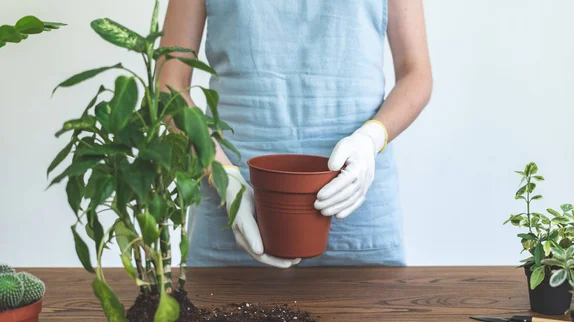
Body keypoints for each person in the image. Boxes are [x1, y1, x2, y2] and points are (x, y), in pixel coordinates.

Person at [159, 0, 432, 267]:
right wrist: (224, 175)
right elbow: (169, 84)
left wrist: (371, 139)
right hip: (231, 204)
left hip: (356, 205)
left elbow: (415, 73)